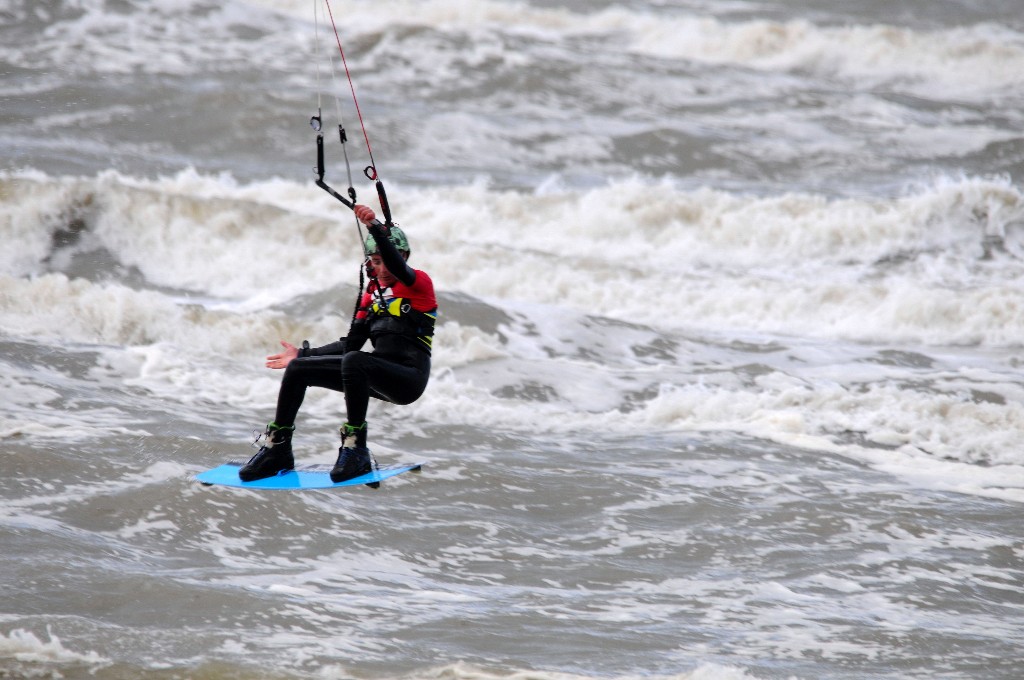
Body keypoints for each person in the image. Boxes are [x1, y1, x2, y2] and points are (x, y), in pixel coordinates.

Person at [238, 204, 437, 483]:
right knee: (299, 368)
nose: (381, 268)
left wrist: (374, 227)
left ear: (403, 258)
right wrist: (303, 353)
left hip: (408, 379)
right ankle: (278, 450)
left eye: (387, 261)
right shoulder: (371, 297)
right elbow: (350, 345)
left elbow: (397, 266)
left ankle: (356, 450)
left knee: (356, 362)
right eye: (375, 262)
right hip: (374, 373)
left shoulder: (419, 285)